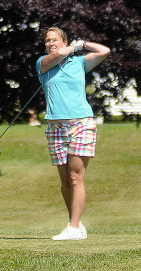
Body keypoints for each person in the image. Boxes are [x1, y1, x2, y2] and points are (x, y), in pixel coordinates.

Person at [37, 27, 110, 241]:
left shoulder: (78, 63)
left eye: (55, 40)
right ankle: (75, 225)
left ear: (64, 41)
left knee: (75, 177)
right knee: (65, 182)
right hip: (55, 129)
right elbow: (59, 54)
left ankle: (74, 227)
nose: (51, 43)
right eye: (47, 41)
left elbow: (105, 51)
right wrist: (70, 48)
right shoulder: (43, 63)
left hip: (81, 123)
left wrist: (83, 44)